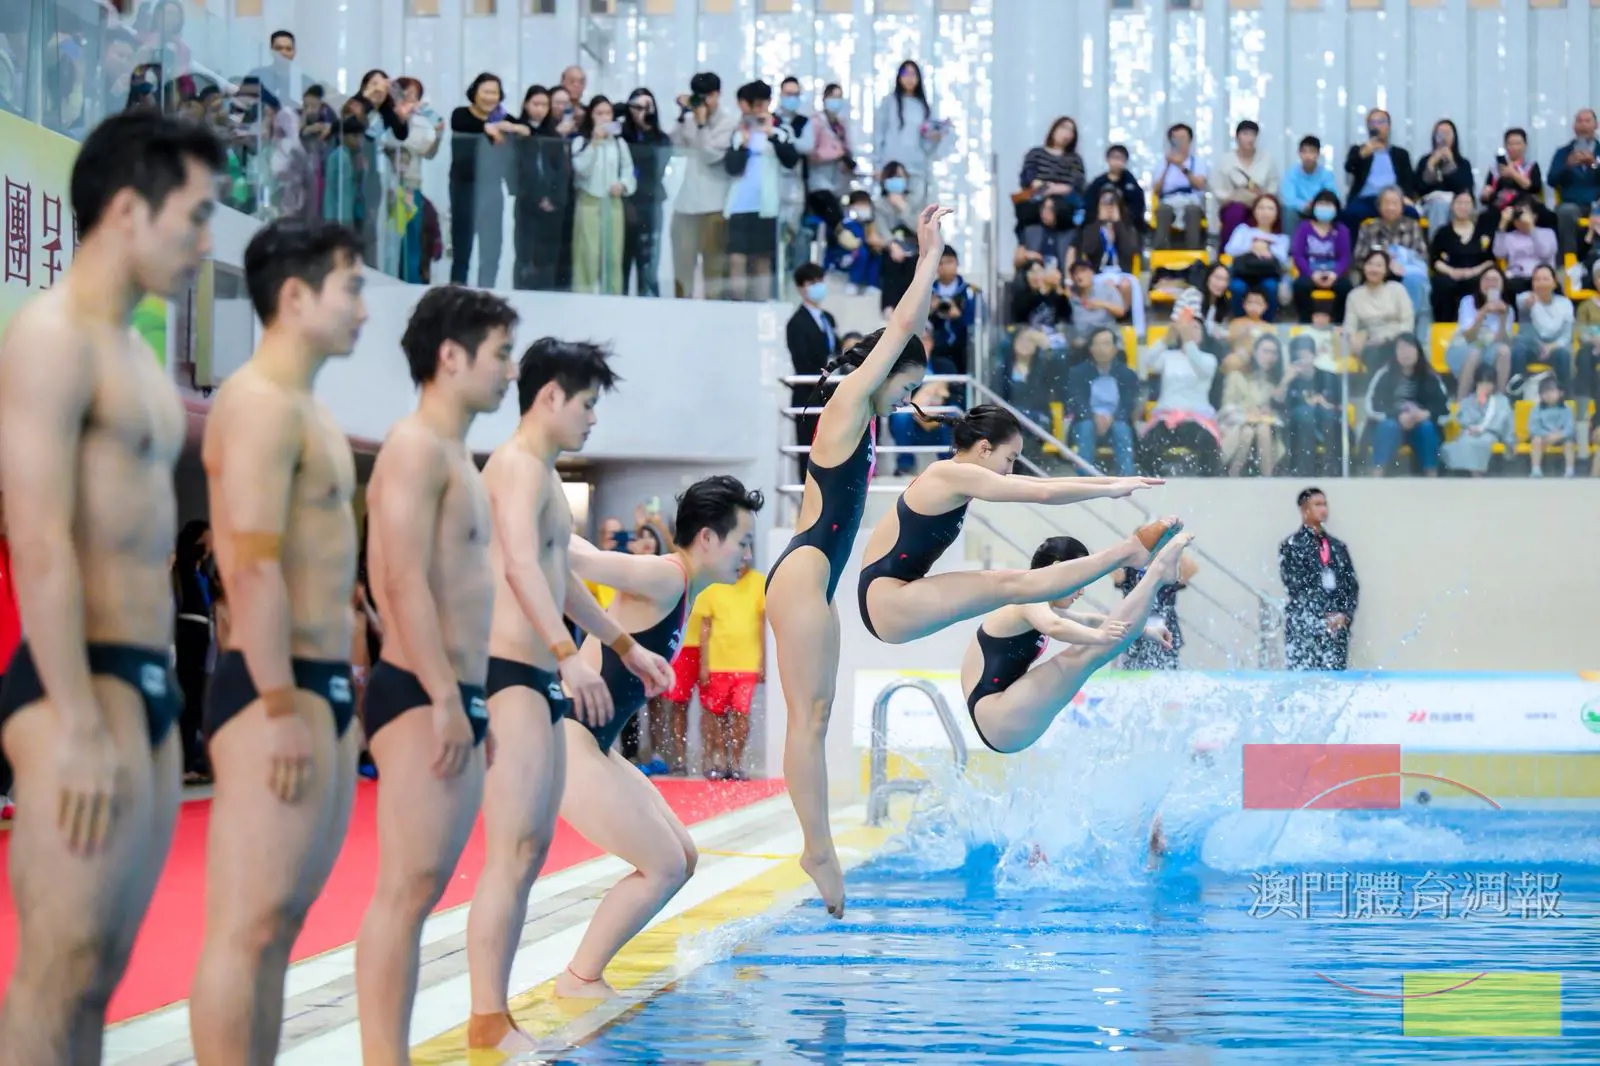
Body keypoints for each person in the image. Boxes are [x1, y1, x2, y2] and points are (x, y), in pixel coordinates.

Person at [0, 112, 221, 1066]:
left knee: (103, 970)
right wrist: (80, 720)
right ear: (128, 208)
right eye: (196, 215)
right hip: (73, 684)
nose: (207, 243)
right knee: (57, 966)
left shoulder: (134, 354)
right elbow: (40, 539)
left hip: (147, 681)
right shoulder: (49, 337)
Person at [188, 219, 368, 1065]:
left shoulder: (311, 410)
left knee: (282, 922)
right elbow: (248, 566)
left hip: (318, 682)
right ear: (295, 297)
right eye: (352, 288)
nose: (364, 309)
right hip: (277, 687)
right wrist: (278, 702)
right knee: (248, 922)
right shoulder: (257, 403)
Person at [462, 338, 673, 1052]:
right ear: (550, 395)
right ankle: (487, 1019)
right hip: (510, 673)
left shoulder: (546, 477)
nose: (591, 420)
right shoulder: (516, 468)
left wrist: (623, 645)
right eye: (586, 404)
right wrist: (564, 655)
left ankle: (498, 1015)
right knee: (511, 850)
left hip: (537, 677)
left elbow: (560, 576)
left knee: (526, 851)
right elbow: (521, 564)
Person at [766, 204, 948, 917]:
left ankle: (817, 844)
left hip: (812, 579)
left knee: (816, 713)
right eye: (906, 386)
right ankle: (815, 846)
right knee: (807, 720)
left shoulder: (863, 419)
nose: (908, 399)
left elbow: (906, 345)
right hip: (804, 573)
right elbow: (902, 326)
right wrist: (928, 256)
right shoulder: (846, 404)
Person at [353, 286, 518, 1065]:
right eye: (500, 355)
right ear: (449, 357)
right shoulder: (415, 446)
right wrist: (450, 699)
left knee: (420, 893)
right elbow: (400, 580)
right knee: (405, 890)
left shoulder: (456, 452)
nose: (509, 371)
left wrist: (472, 699)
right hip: (421, 691)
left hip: (453, 694)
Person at [559, 476, 763, 997]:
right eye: (742, 541)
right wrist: (532, 508)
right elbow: (578, 558)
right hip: (567, 742)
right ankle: (580, 979)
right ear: (708, 539)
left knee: (684, 858)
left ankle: (582, 975)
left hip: (593, 744)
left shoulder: (684, 590)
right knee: (664, 865)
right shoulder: (667, 576)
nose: (747, 554)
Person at [857, 404, 1171, 647]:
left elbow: (1046, 483)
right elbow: (1044, 493)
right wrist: (1111, 490)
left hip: (891, 597)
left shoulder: (962, 476)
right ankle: (1127, 553)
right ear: (983, 448)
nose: (1009, 469)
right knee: (1014, 585)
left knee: (1019, 588)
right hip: (887, 599)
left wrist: (1115, 482)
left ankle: (1127, 555)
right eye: (1009, 458)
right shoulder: (948, 474)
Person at [962, 533, 1193, 754]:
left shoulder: (1040, 604)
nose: (1081, 591)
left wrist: (1146, 631)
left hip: (1005, 716)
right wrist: (1101, 638)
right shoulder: (1027, 600)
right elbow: (1056, 627)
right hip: (997, 717)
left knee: (1093, 648)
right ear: (1056, 569)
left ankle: (1156, 575)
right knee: (1087, 653)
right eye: (1079, 581)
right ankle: (1156, 575)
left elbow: (1087, 620)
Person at [696, 556, 766, 780]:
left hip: (747, 663)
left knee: (741, 714)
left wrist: (763, 661)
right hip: (718, 663)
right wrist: (704, 664)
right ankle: (720, 760)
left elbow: (762, 625)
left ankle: (736, 762)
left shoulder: (758, 583)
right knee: (717, 716)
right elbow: (705, 627)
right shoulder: (714, 583)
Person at [1280, 487, 1359, 671]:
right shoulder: (1292, 546)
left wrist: (1343, 615)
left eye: (1324, 504)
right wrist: (1323, 615)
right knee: (1303, 680)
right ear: (1304, 510)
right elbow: (1295, 586)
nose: (1323, 509)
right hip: (1306, 629)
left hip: (1335, 631)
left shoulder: (1338, 546)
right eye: (1317, 505)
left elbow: (1351, 586)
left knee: (1335, 682)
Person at [786, 261, 839, 481]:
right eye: (811, 283)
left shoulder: (827, 318)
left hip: (830, 393)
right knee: (809, 452)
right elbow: (802, 361)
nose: (817, 286)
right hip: (808, 395)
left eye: (820, 281)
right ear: (801, 288)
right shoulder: (796, 323)